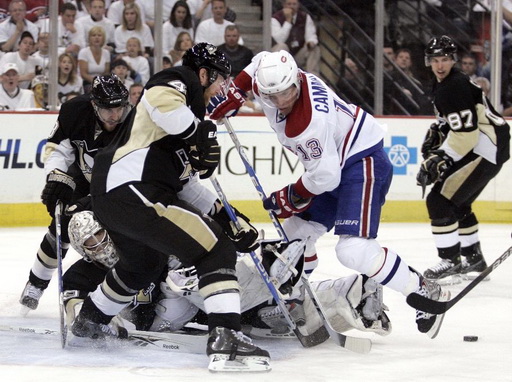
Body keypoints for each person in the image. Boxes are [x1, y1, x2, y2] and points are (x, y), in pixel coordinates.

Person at [207, 49, 450, 339]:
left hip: (362, 162)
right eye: (271, 97)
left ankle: (424, 290)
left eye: (286, 93)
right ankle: (295, 299)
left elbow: (325, 176)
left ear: (296, 80)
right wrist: (238, 89)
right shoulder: (277, 78)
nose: (280, 102)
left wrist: (290, 195)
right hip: (336, 162)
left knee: (352, 250)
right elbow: (262, 58)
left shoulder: (306, 124)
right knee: (294, 235)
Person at [74, 42, 270, 372]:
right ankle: (226, 335)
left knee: (142, 266)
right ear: (205, 73)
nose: (222, 88)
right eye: (221, 79)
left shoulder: (178, 122)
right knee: (214, 248)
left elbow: (188, 187)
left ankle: (90, 320)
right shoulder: (180, 80)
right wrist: (199, 133)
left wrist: (229, 217)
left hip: (113, 196)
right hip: (133, 189)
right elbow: (157, 96)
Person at [64, 209, 391, 339]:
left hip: (187, 300)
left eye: (100, 235)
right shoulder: (83, 271)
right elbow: (73, 306)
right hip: (160, 316)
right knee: (181, 294)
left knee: (198, 284)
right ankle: (274, 295)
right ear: (81, 249)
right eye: (90, 243)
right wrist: (102, 325)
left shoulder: (134, 241)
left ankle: (349, 289)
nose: (99, 245)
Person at [18, 74, 131, 313]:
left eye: (119, 108)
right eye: (108, 110)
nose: (115, 115)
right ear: (93, 105)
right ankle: (36, 284)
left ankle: (120, 288)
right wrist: (57, 176)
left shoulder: (135, 122)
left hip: (118, 186)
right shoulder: (74, 111)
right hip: (83, 177)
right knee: (60, 225)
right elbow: (58, 148)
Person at [417, 36, 510, 283]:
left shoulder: (452, 87)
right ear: (429, 62)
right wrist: (440, 129)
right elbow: (458, 122)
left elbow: (466, 135)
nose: (440, 65)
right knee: (458, 202)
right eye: (435, 60)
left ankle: (451, 260)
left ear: (452, 60)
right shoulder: (446, 82)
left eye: (445, 59)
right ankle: (473, 259)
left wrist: (441, 156)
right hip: (490, 145)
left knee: (438, 200)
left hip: (485, 148)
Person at [271, 0, 320, 75]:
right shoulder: (275, 18)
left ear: (298, 5)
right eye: (289, 4)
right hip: (282, 54)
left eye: (294, 4)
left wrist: (311, 42)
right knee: (281, 46)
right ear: (284, 5)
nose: (291, 6)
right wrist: (288, 20)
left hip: (298, 53)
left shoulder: (305, 17)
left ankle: (313, 78)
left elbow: (311, 35)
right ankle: (279, 75)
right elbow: (280, 40)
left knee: (314, 48)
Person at [78, 26, 111, 93]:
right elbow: (83, 74)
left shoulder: (106, 53)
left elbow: (106, 72)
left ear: (103, 38)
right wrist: (96, 82)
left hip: (102, 83)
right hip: (87, 82)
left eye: (99, 35)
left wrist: (101, 82)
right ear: (89, 38)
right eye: (94, 35)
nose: (96, 38)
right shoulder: (84, 52)